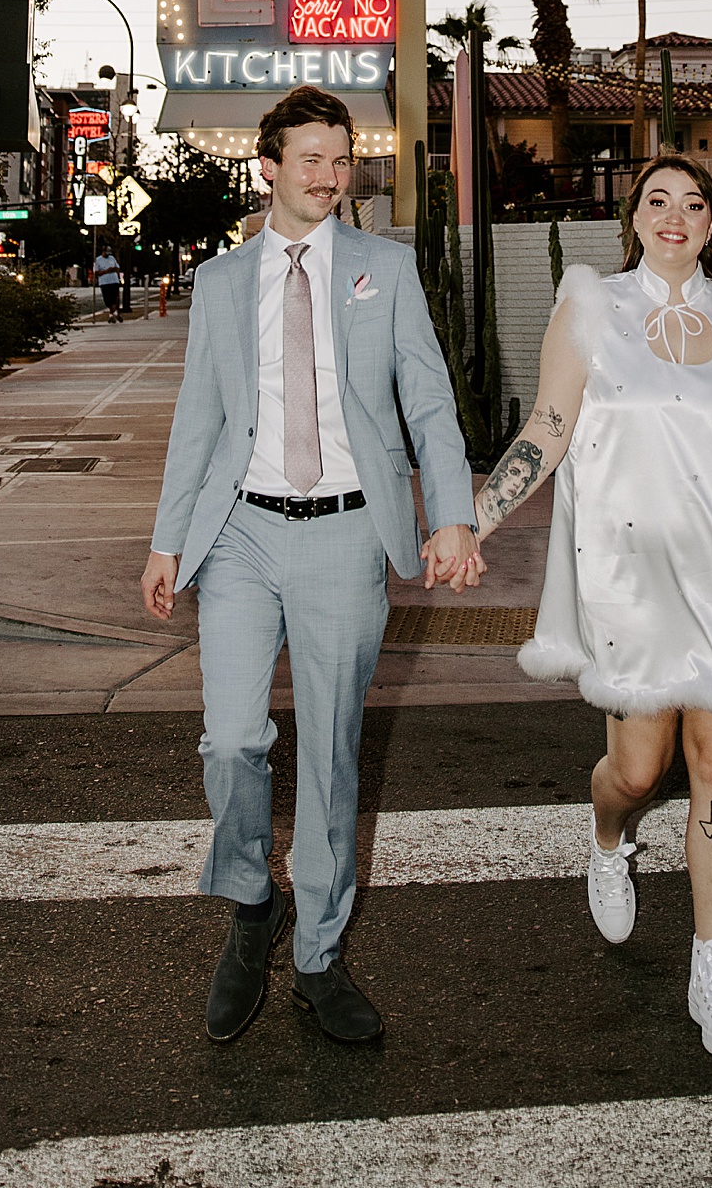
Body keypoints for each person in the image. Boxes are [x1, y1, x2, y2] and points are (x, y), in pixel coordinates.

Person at [471, 153, 712, 1063]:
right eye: (656, 201)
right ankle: (608, 837)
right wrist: (470, 522)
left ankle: (711, 971)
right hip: (630, 573)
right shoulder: (594, 309)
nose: (674, 216)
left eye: (693, 204)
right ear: (633, 218)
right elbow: (546, 432)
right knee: (637, 771)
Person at [141, 86, 482, 1047]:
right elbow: (198, 423)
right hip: (241, 534)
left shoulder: (388, 269)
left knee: (331, 758)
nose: (333, 178)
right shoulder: (219, 282)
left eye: (344, 160)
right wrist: (169, 540)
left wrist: (449, 516)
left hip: (343, 535)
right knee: (231, 739)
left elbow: (428, 402)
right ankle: (253, 899)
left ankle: (319, 955)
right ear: (269, 167)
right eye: (313, 160)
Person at [93, 245, 123, 321]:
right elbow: (96, 272)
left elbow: (117, 267)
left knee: (115, 299)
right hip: (104, 282)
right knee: (108, 300)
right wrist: (107, 271)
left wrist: (117, 273)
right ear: (103, 252)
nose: (108, 255)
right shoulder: (98, 260)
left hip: (114, 280)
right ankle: (115, 313)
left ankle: (111, 315)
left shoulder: (112, 258)